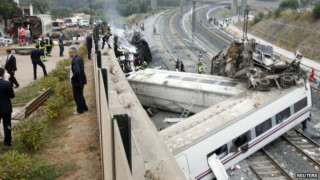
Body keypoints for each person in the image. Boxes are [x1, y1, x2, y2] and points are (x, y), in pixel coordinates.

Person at [69, 47, 88, 114]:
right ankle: (84, 107)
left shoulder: (74, 61)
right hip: (82, 80)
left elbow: (77, 71)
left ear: (73, 52)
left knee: (77, 96)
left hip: (77, 81)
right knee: (80, 94)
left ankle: (80, 110)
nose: (69, 54)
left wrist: (72, 78)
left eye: (70, 52)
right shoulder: (79, 58)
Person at [0, 67, 15, 146]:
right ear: (3, 75)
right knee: (7, 126)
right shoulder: (7, 84)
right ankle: (7, 142)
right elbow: (12, 96)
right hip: (6, 108)